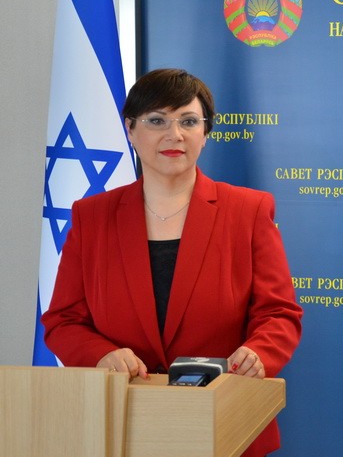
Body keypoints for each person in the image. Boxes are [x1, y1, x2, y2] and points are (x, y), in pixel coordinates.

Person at [42, 68, 303, 456]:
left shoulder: (248, 210)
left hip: (226, 419)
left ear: (205, 132)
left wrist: (259, 354)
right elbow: (63, 320)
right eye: (157, 120)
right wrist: (101, 355)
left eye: (188, 121)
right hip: (121, 420)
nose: (174, 134)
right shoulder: (92, 216)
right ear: (130, 129)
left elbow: (279, 313)